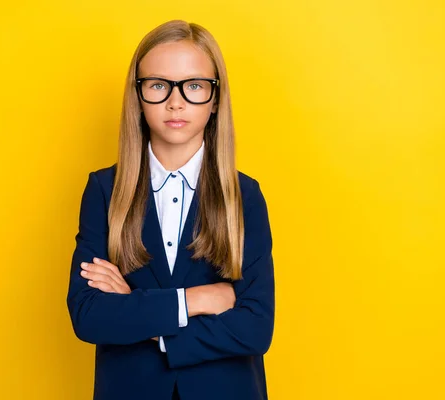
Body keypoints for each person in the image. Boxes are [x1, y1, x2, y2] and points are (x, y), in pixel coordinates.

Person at [66, 19, 275, 400]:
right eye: (159, 85)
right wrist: (195, 300)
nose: (175, 101)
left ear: (215, 100)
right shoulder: (104, 190)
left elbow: (255, 327)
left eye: (194, 86)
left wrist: (135, 310)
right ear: (138, 96)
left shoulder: (244, 195)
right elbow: (89, 315)